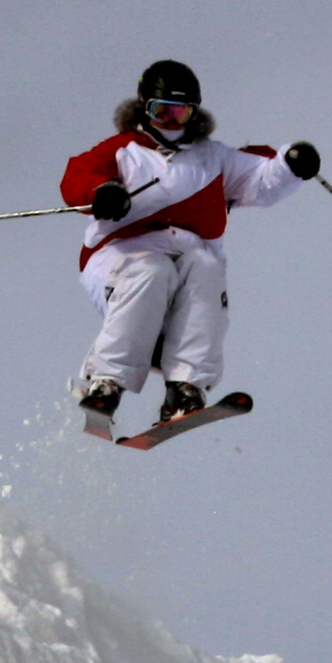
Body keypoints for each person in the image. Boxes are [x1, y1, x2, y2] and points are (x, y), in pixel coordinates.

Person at [60, 60, 318, 423]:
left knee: (207, 268)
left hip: (190, 259)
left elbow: (261, 177)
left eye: (179, 113)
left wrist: (291, 165)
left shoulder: (214, 158)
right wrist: (102, 193)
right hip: (122, 259)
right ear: (143, 108)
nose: (169, 122)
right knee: (151, 269)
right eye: (160, 111)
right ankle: (107, 382)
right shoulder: (122, 151)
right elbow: (79, 175)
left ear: (193, 114)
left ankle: (186, 386)